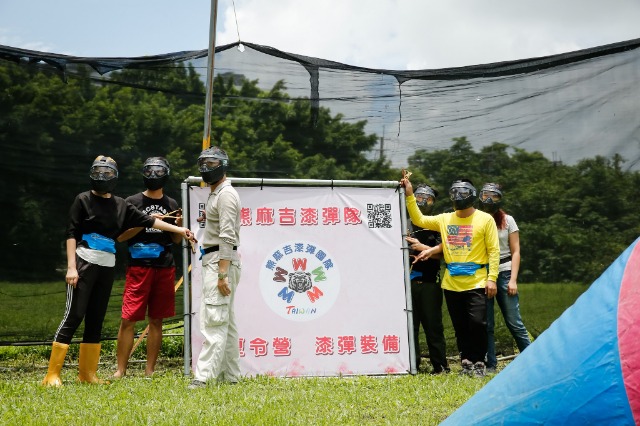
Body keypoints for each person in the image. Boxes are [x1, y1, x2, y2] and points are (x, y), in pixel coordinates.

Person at [42, 155, 196, 387]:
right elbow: (71, 233)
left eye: (108, 173)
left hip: (107, 265)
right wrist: (72, 267)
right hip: (84, 262)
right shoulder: (82, 199)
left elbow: (151, 222)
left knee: (96, 320)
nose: (102, 178)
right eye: (98, 172)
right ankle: (52, 375)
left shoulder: (121, 204)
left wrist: (181, 228)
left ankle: (88, 374)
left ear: (116, 177)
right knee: (74, 316)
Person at [401, 176, 499, 378]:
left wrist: (492, 278)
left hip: (478, 280)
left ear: (471, 195)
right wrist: (410, 194)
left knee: (478, 323)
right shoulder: (445, 219)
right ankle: (466, 364)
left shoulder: (485, 219)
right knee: (460, 326)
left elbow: (494, 251)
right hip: (452, 282)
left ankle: (479, 362)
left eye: (463, 193)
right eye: (455, 193)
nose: (458, 196)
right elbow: (419, 219)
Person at [113, 157, 183, 378]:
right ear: (144, 174)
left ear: (165, 174)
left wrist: (177, 227)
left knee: (157, 320)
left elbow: (177, 241)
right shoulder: (131, 202)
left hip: (164, 267)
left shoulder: (172, 204)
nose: (153, 176)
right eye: (149, 172)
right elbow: (121, 237)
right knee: (128, 319)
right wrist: (146, 221)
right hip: (138, 268)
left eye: (158, 172)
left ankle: (149, 370)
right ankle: (120, 370)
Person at [189, 146, 242, 389]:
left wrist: (222, 274)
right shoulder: (216, 193)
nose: (206, 168)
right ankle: (231, 376)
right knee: (226, 322)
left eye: (212, 164)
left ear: (223, 165)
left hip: (220, 263)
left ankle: (203, 378)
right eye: (203, 163)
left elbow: (228, 238)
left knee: (214, 320)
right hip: (216, 261)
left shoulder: (225, 195)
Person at [478, 183, 531, 373]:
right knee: (487, 324)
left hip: (505, 271)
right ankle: (490, 364)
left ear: (500, 199)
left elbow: (516, 251)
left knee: (514, 321)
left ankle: (531, 359)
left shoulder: (508, 220)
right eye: (485, 195)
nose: (489, 200)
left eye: (494, 196)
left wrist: (513, 280)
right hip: (484, 273)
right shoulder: (477, 219)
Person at [404, 184, 449, 374]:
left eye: (428, 200)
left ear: (433, 203)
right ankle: (412, 364)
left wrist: (422, 248)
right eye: (419, 198)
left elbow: (444, 254)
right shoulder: (403, 222)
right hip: (407, 284)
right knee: (409, 326)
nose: (423, 202)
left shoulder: (437, 225)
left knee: (433, 326)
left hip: (430, 282)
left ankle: (439, 365)